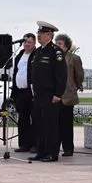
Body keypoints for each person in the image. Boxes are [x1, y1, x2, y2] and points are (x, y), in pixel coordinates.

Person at [28, 21, 67, 162]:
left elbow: (61, 76)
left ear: (49, 35)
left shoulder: (56, 52)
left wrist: (58, 94)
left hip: (51, 95)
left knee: (51, 125)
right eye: (38, 33)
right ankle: (41, 151)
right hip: (38, 95)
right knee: (39, 124)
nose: (38, 36)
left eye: (41, 34)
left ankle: (52, 153)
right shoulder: (38, 52)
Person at [55, 34, 84, 157]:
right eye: (56, 43)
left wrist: (75, 87)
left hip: (68, 95)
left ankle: (68, 148)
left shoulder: (74, 58)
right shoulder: (54, 57)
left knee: (66, 124)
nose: (57, 45)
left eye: (60, 43)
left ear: (67, 45)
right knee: (55, 124)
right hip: (55, 96)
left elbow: (79, 75)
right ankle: (55, 147)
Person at [11, 33, 37, 153]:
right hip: (20, 92)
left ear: (34, 43)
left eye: (29, 42)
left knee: (34, 119)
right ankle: (24, 144)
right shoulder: (20, 54)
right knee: (23, 119)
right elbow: (16, 71)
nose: (26, 44)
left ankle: (35, 144)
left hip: (31, 92)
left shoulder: (36, 54)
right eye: (25, 42)